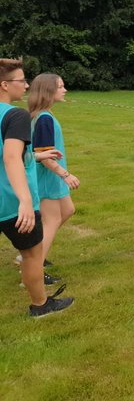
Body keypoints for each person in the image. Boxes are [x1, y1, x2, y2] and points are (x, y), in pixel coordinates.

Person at [0, 58, 73, 316]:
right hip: (10, 201)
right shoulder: (15, 115)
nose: (26, 85)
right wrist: (25, 200)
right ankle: (41, 306)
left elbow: (17, 154)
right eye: (22, 80)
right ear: (5, 85)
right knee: (32, 254)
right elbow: (11, 158)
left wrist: (38, 155)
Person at [28, 74, 80, 279]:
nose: (65, 90)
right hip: (47, 178)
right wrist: (65, 174)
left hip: (52, 178)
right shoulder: (44, 119)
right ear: (48, 91)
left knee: (67, 210)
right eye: (60, 86)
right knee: (51, 220)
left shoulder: (44, 115)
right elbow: (45, 157)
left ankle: (32, 255)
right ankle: (34, 270)